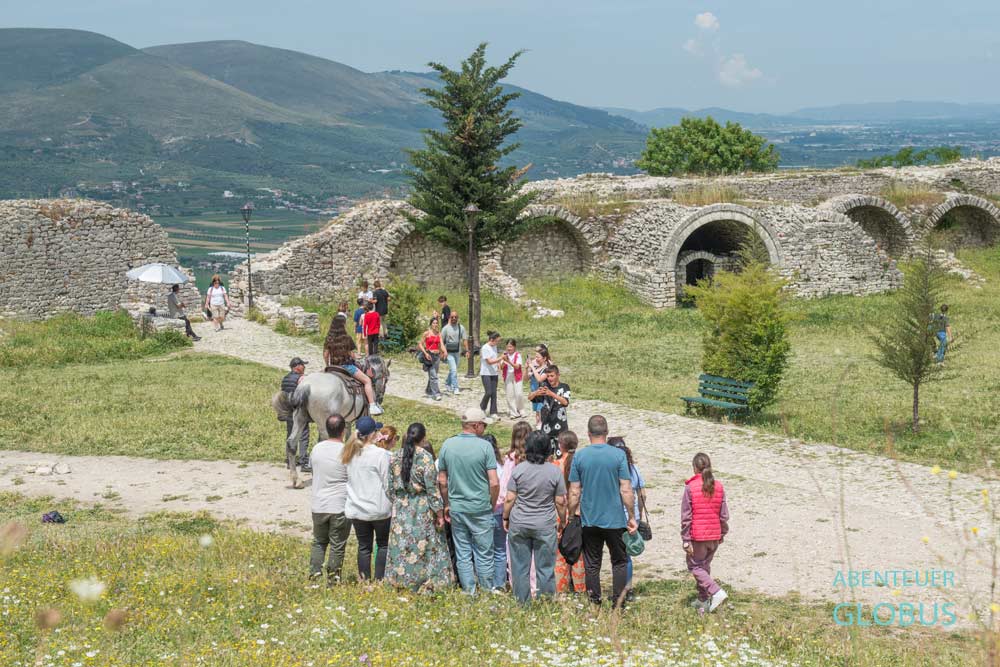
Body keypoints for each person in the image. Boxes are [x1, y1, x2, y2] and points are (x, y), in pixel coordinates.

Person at [568, 415, 637, 608]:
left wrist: (571, 513)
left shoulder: (580, 456)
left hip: (589, 518)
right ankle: (618, 602)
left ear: (588, 433)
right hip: (614, 518)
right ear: (606, 433)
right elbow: (626, 488)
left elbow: (574, 491)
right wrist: (631, 516)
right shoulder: (618, 456)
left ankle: (594, 601)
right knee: (619, 561)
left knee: (592, 563)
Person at [385, 423, 455, 592]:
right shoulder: (425, 457)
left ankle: (401, 580)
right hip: (421, 507)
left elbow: (389, 488)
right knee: (426, 545)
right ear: (423, 438)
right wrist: (439, 513)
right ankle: (427, 581)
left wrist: (399, 502)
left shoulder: (395, 456)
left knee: (402, 545)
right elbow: (432, 489)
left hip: (402, 508)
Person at [437, 407, 500, 594]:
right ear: (476, 425)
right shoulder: (485, 447)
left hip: (458, 506)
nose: (484, 429)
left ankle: (469, 589)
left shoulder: (448, 444)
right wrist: (492, 502)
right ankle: (487, 588)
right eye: (483, 425)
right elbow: (494, 482)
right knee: (484, 551)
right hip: (480, 505)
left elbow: (442, 480)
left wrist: (447, 503)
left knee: (463, 551)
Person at [504, 430, 568, 603]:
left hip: (520, 522)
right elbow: (560, 502)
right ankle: (545, 602)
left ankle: (522, 603)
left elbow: (510, 498)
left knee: (520, 568)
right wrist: (562, 521)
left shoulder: (519, 470)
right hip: (545, 524)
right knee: (545, 568)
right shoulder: (554, 472)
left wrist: (505, 517)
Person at [343, 416, 392, 581]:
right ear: (374, 434)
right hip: (378, 508)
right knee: (383, 544)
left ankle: (364, 579)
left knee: (364, 547)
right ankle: (379, 580)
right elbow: (387, 482)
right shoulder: (381, 454)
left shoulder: (350, 452)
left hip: (357, 507)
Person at [682, 452, 730, 613]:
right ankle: (703, 599)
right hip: (714, 535)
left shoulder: (691, 487)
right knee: (704, 567)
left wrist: (686, 539)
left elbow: (686, 516)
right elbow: (724, 515)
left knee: (695, 566)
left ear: (695, 468)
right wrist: (722, 532)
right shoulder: (719, 486)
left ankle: (716, 591)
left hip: (698, 536)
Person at [309, 414, 352, 584]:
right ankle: (333, 579)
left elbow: (314, 471)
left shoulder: (317, 449)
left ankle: (314, 574)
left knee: (319, 541)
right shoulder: (346, 451)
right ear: (343, 431)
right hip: (339, 504)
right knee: (337, 544)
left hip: (319, 503)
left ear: (327, 429)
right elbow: (351, 477)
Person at [322, 314, 383, 415]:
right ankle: (372, 405)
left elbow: (325, 354)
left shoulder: (329, 338)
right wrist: (356, 357)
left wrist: (327, 365)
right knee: (367, 380)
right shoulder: (346, 338)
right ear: (343, 325)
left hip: (332, 366)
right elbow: (351, 354)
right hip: (346, 366)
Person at [609, 436, 646, 602]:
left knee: (617, 556)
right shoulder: (635, 469)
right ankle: (628, 588)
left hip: (617, 517)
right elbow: (642, 494)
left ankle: (620, 589)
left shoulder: (612, 470)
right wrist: (639, 515)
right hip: (633, 517)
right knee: (627, 556)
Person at [553, 430, 585, 594]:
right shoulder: (581, 464)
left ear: (561, 445)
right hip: (579, 513)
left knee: (561, 555)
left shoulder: (555, 465)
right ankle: (581, 589)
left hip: (560, 514)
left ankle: (561, 590)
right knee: (579, 554)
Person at [528, 365, 570, 456]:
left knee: (561, 456)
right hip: (547, 427)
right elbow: (530, 398)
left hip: (561, 428)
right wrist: (536, 393)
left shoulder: (564, 387)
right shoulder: (545, 387)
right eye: (548, 376)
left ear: (558, 375)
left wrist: (551, 394)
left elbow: (565, 402)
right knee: (547, 456)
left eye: (552, 376)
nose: (550, 378)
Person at [281, 357, 312, 472]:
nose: (304, 367)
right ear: (297, 367)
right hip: (298, 411)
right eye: (303, 365)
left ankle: (290, 461)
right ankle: (304, 462)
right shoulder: (301, 378)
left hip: (288, 411)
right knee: (303, 436)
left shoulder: (285, 378)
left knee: (290, 435)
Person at [441, 312, 468, 395]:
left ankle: (447, 383)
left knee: (453, 370)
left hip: (457, 352)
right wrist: (442, 352)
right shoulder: (446, 328)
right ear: (450, 317)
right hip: (448, 352)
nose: (454, 318)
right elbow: (441, 341)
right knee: (454, 370)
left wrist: (467, 350)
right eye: (452, 317)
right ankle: (455, 387)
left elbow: (464, 340)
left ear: (457, 318)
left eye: (455, 317)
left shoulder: (461, 328)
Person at [418, 317, 443, 401]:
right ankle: (436, 394)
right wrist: (425, 353)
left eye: (436, 323)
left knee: (434, 375)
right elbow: (420, 344)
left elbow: (441, 345)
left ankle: (429, 390)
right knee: (434, 376)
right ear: (431, 324)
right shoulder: (427, 333)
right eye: (434, 323)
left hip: (437, 356)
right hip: (430, 356)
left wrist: (444, 352)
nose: (435, 324)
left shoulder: (439, 334)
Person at [479, 331, 503, 421]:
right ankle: (482, 407)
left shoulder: (494, 347)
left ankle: (493, 412)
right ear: (492, 340)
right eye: (497, 341)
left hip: (494, 373)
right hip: (486, 373)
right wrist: (501, 358)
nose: (498, 343)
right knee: (488, 392)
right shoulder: (485, 348)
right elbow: (489, 361)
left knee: (494, 393)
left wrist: (499, 366)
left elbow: (495, 358)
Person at [501, 339, 525, 419]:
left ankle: (521, 410)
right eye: (507, 346)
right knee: (509, 395)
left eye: (511, 347)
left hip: (516, 375)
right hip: (507, 376)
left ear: (514, 347)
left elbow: (517, 366)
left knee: (519, 394)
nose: (509, 348)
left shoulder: (518, 355)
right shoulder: (504, 355)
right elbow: (500, 367)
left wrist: (508, 361)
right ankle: (513, 412)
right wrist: (503, 363)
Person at [527, 345, 552, 427]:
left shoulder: (547, 369)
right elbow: (525, 379)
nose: (536, 359)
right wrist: (526, 368)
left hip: (543, 395)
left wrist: (532, 368)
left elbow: (540, 379)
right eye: (535, 357)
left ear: (544, 358)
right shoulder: (536, 367)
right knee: (537, 415)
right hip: (535, 394)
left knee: (542, 415)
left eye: (538, 357)